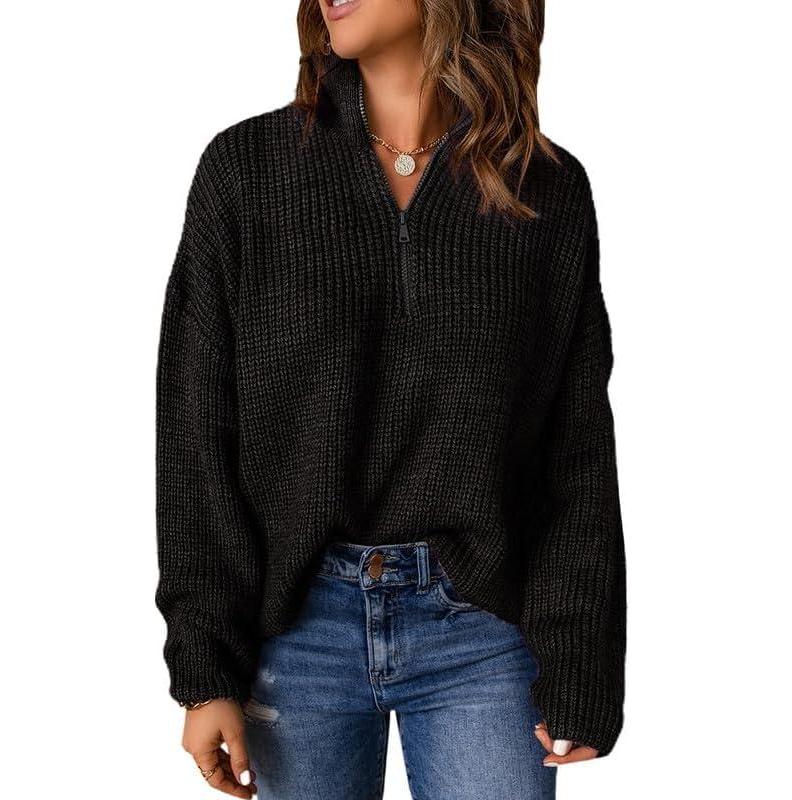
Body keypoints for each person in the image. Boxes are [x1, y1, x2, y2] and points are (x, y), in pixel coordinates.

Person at [154, 1, 626, 797]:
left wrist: (581, 659)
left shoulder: (543, 186)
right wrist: (205, 671)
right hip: (296, 627)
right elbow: (195, 430)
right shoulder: (247, 170)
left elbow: (574, 444)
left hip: (481, 629)